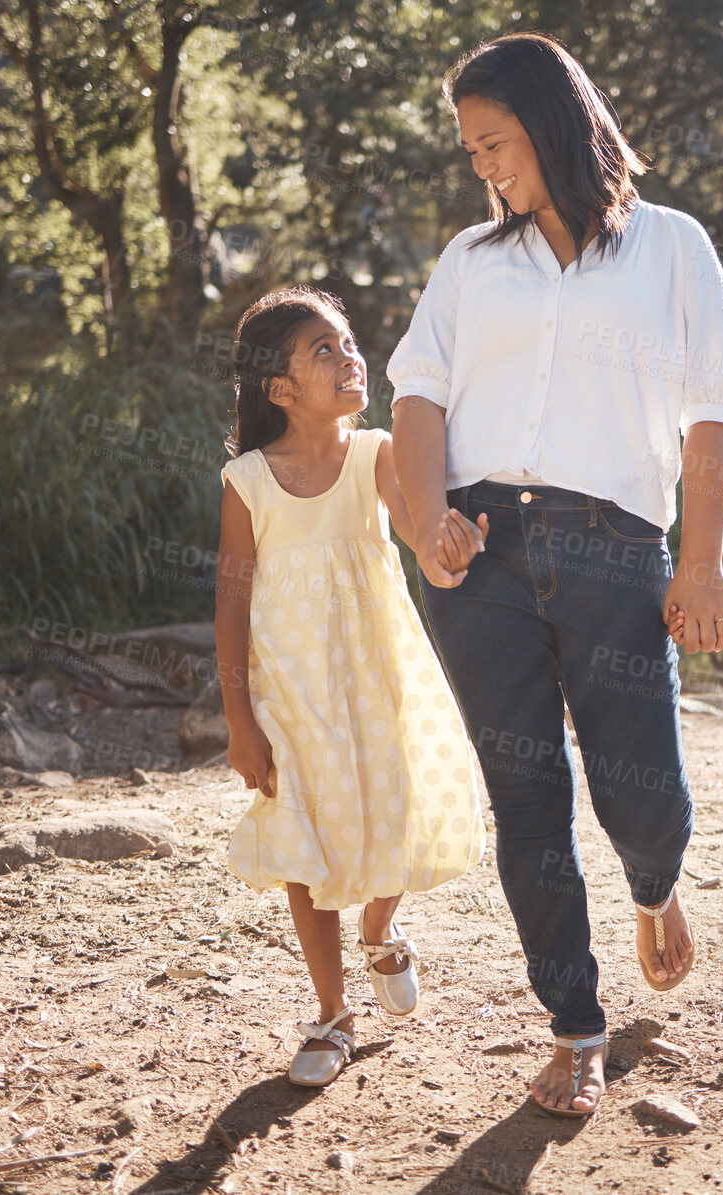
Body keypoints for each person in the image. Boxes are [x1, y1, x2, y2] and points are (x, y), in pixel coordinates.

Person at [388, 33, 723, 1118]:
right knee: (525, 796)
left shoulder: (673, 248)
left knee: (643, 798)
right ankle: (575, 1026)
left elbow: (712, 415)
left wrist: (700, 564)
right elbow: (416, 400)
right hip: (482, 553)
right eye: (468, 149)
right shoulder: (469, 262)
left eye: (493, 142)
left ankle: (654, 884)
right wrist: (423, 521)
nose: (482, 167)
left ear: (552, 125)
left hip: (615, 551)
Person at [214, 286, 484, 1087]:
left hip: (376, 671)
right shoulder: (248, 480)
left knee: (393, 800)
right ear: (280, 389)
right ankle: (331, 1012)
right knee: (303, 833)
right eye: (322, 350)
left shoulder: (374, 451)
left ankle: (381, 926)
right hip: (290, 690)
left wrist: (447, 539)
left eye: (348, 342)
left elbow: (411, 521)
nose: (349, 357)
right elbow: (231, 600)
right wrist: (240, 720)